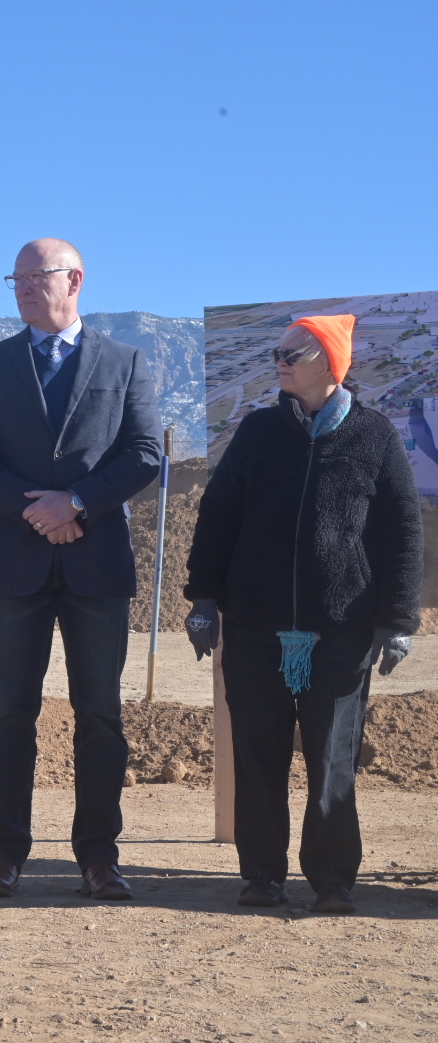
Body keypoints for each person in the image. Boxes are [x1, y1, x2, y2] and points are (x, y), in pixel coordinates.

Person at [183, 315, 421, 914]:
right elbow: (217, 517)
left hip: (343, 631)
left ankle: (333, 879)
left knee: (331, 757)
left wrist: (397, 619)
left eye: (294, 351)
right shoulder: (258, 431)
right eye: (277, 350)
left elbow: (402, 532)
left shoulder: (373, 436)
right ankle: (262, 874)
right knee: (257, 753)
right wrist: (204, 600)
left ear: (329, 362)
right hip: (257, 628)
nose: (280, 360)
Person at [0, 238, 162, 900]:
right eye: (13, 278)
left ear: (74, 280)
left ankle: (99, 855)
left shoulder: (125, 363)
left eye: (33, 276)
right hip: (14, 564)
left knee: (100, 716)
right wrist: (34, 511)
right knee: (10, 715)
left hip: (96, 563)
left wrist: (77, 503)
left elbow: (146, 451)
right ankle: (4, 853)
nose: (19, 286)